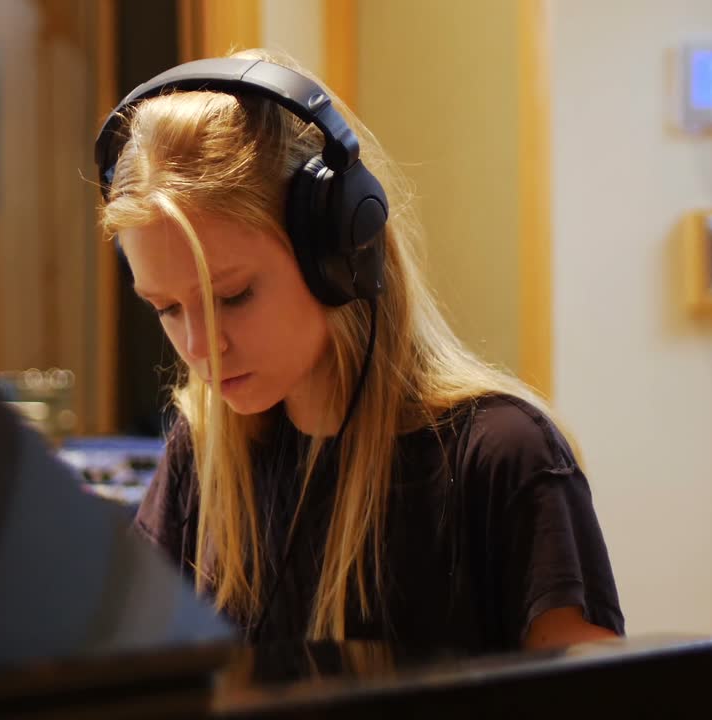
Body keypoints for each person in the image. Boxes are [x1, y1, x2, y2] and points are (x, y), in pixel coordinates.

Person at [95, 49, 624, 656]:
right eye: (167, 308)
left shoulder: (503, 456)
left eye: (232, 295)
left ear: (340, 255)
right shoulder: (204, 453)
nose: (198, 346)